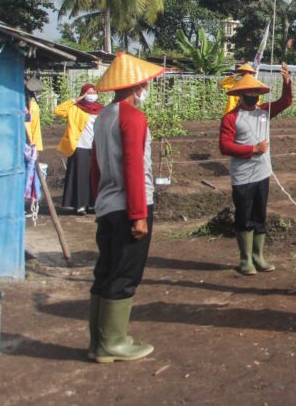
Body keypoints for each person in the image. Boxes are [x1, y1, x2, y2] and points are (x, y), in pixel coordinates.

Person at [89, 52, 165, 363]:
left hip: (107, 204)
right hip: (130, 205)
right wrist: (138, 215)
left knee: (106, 271)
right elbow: (133, 166)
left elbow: (95, 166)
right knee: (125, 273)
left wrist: (98, 200)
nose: (146, 88)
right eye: (144, 84)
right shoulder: (132, 117)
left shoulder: (103, 116)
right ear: (135, 86)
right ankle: (114, 343)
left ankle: (99, 342)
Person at [218, 65, 293, 276]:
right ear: (241, 94)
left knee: (260, 215)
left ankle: (258, 256)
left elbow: (285, 102)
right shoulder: (231, 118)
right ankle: (245, 260)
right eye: (249, 92)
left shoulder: (264, 111)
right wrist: (253, 149)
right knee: (244, 216)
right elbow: (225, 146)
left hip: (262, 174)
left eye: (255, 91)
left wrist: (287, 82)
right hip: (243, 177)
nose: (252, 95)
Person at [55, 83, 103, 215]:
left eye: (94, 93)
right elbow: (58, 111)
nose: (92, 95)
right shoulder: (75, 108)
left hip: (96, 147)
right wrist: (76, 100)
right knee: (80, 176)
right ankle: (80, 205)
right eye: (88, 93)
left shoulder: (101, 109)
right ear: (83, 94)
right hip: (79, 146)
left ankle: (92, 204)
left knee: (94, 176)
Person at [23, 76, 44, 211]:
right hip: (18, 144)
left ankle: (25, 199)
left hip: (27, 146)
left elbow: (36, 129)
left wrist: (36, 148)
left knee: (27, 173)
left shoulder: (33, 106)